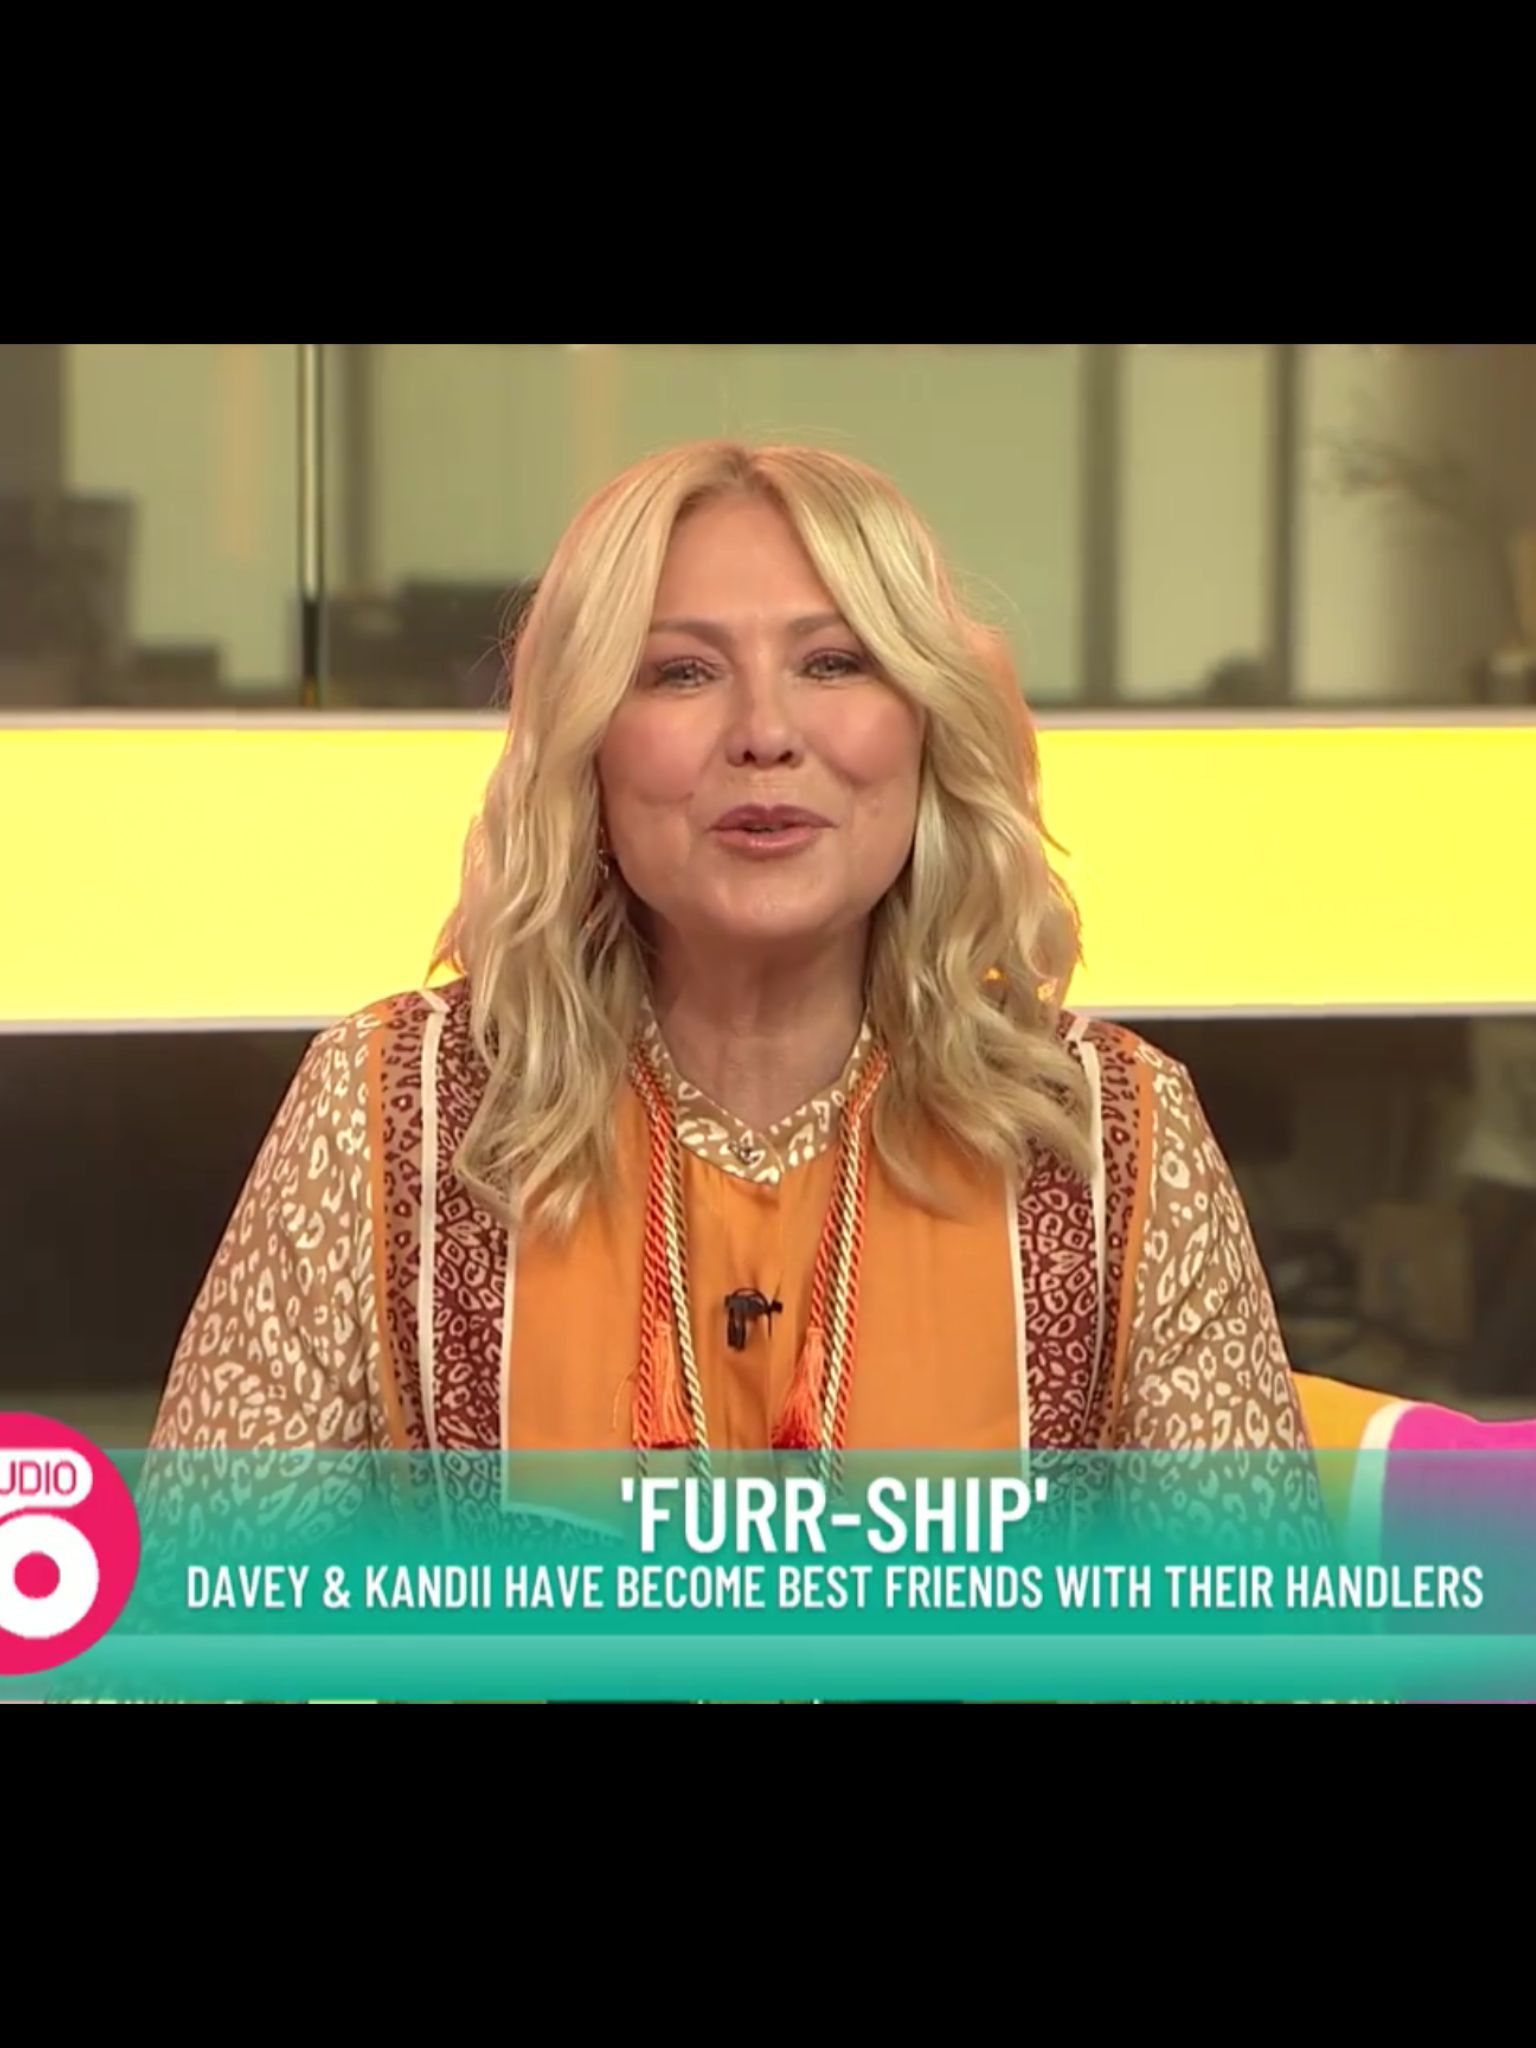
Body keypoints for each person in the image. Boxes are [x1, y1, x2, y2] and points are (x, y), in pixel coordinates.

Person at [150, 440, 1317, 1509]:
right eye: (682, 673)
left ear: (925, 726)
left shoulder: (1110, 1134)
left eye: (832, 661)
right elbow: (198, 1614)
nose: (765, 731)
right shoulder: (387, 1109)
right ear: (587, 741)